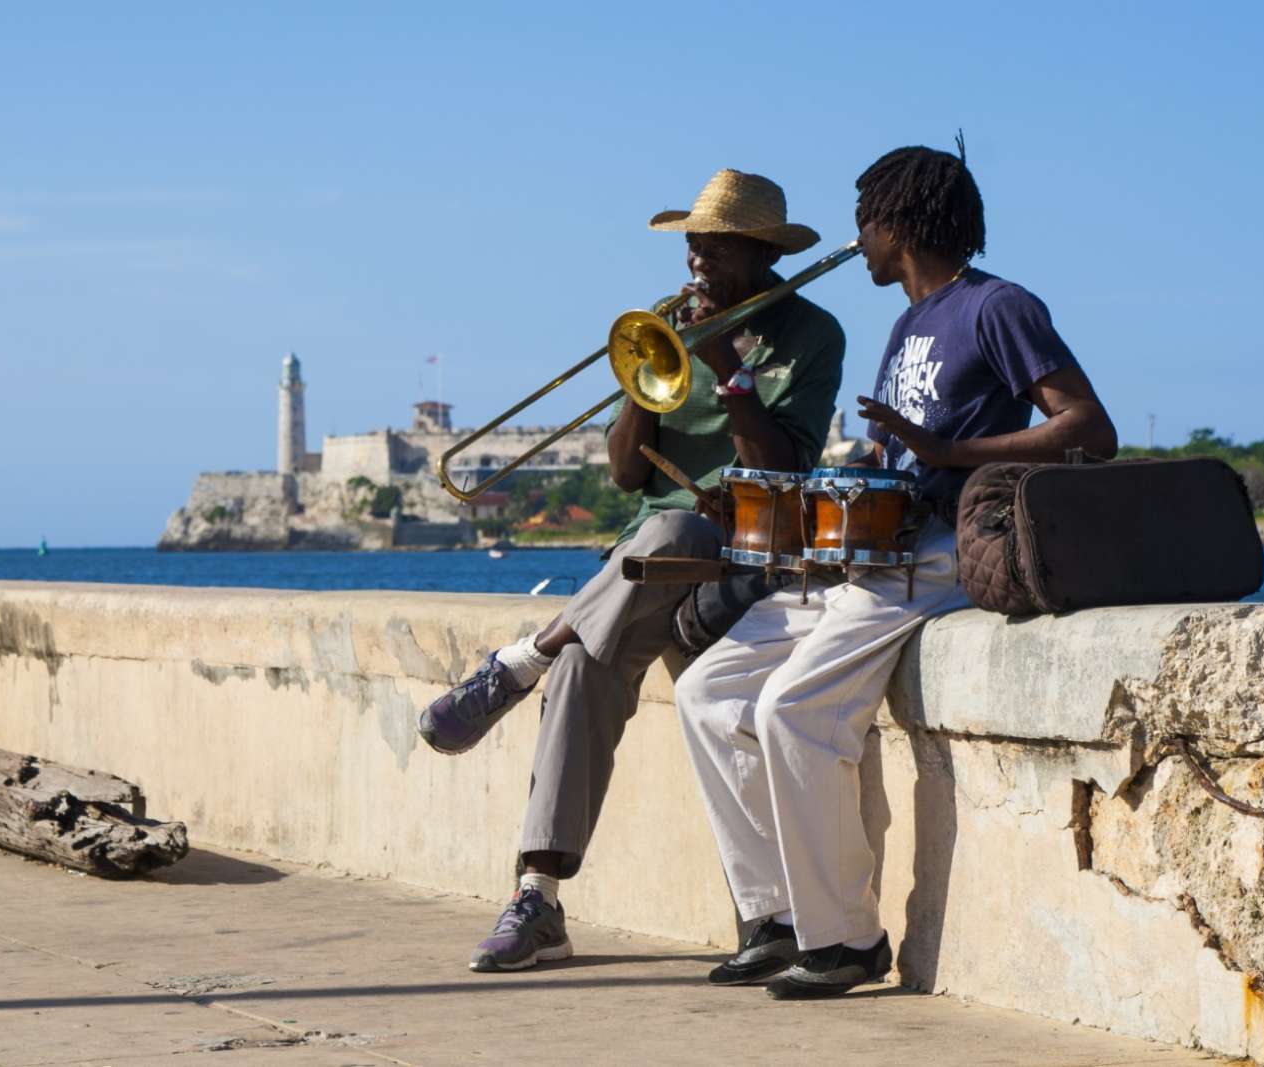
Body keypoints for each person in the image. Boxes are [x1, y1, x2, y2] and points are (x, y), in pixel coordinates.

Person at [674, 141, 1117, 999]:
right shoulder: (907, 323)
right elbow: (892, 455)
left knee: (792, 710)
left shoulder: (998, 306)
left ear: (899, 223)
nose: (856, 241)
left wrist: (952, 451)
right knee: (707, 691)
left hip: (944, 554)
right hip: (874, 556)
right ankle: (772, 918)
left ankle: (844, 939)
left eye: (864, 221)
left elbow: (1088, 427)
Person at [416, 168, 846, 972]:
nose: (695, 264)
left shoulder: (813, 334)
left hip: (744, 544)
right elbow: (623, 476)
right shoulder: (668, 323)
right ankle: (538, 898)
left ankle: (519, 660)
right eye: (690, 247)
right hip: (645, 554)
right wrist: (646, 377)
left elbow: (781, 470)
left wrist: (727, 366)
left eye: (712, 248)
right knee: (584, 663)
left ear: (758, 252)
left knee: (677, 522)